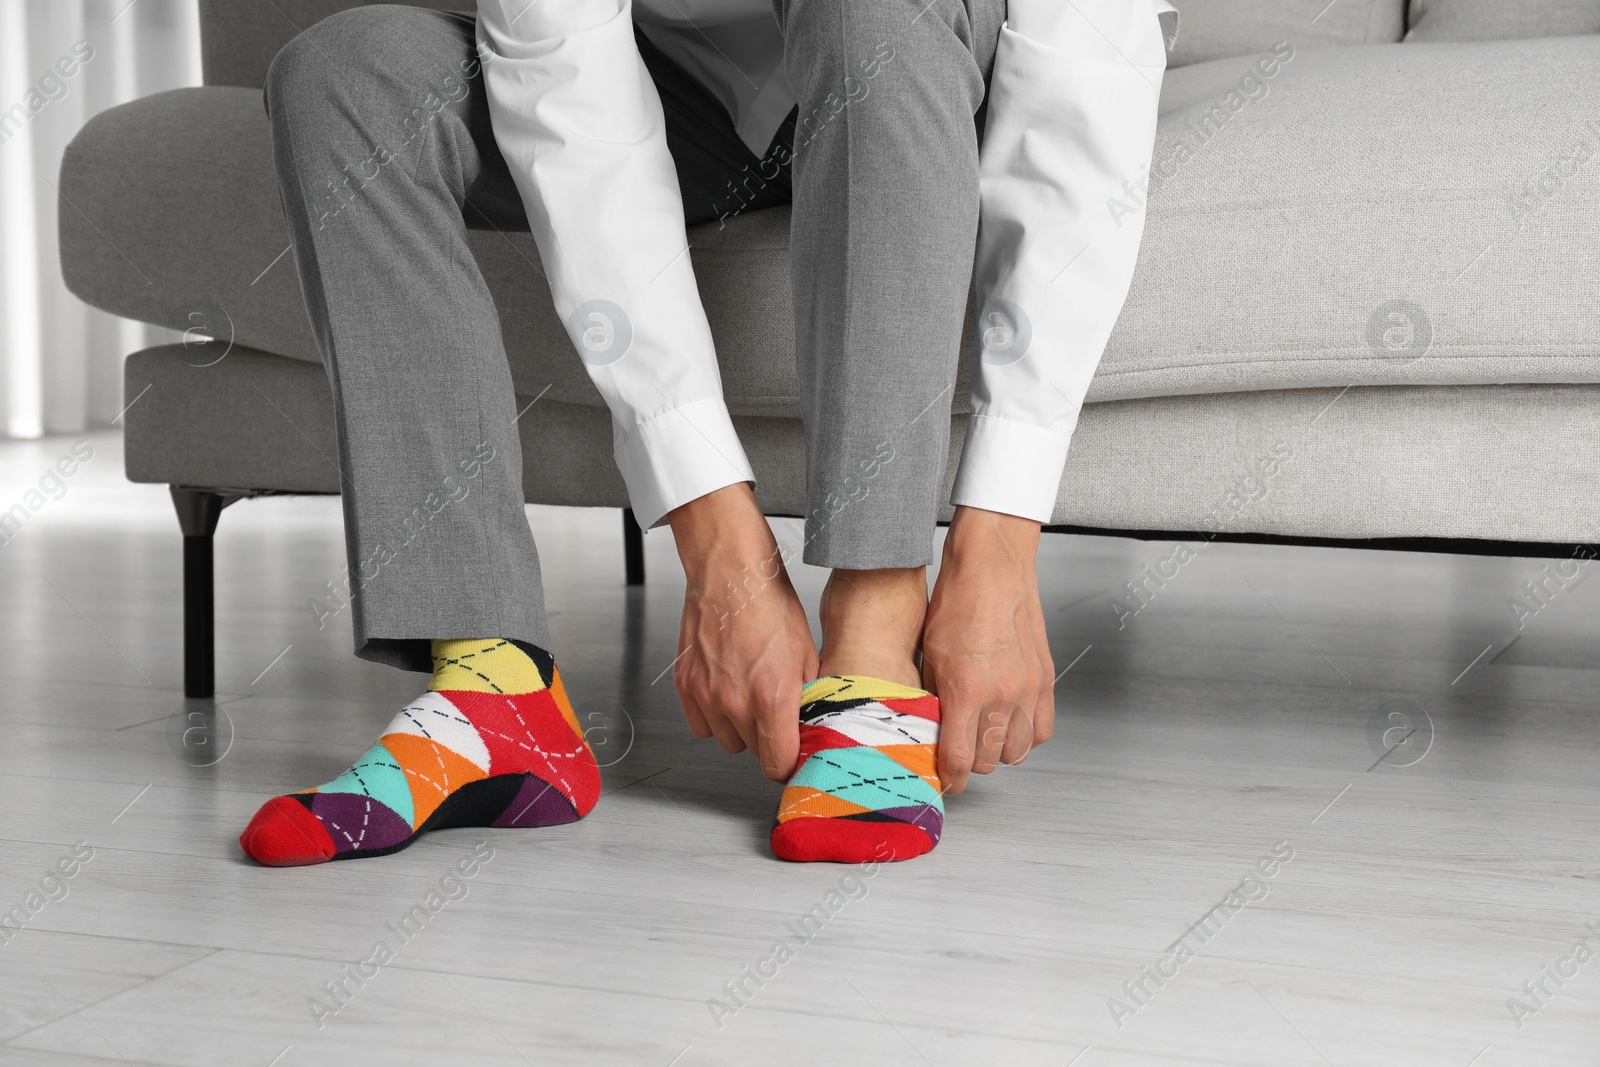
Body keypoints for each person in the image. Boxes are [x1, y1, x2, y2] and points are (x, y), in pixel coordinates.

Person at [237, 0, 1175, 867]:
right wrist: (721, 548)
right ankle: (495, 692)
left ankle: (875, 648)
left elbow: (1081, 77)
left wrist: (999, 542)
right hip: (703, 87)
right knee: (343, 76)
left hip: (928, 59)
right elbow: (572, 98)